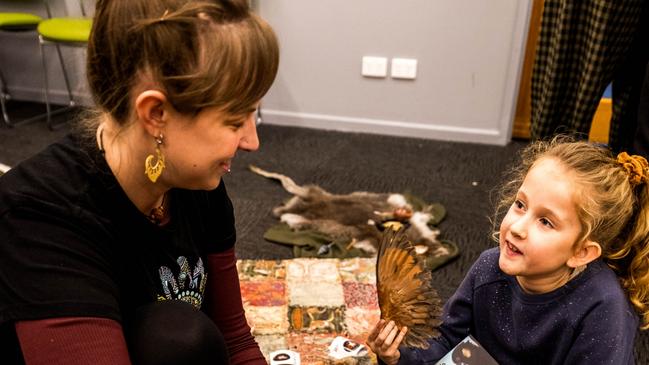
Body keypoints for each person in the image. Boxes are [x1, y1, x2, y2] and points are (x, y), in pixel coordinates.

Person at [0, 0, 279, 363]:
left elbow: (235, 340)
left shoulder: (195, 181)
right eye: (235, 120)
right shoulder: (39, 219)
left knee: (181, 336)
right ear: (156, 114)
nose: (252, 142)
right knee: (177, 336)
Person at [367, 136, 649, 364]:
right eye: (520, 205)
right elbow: (443, 342)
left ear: (582, 253)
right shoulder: (488, 268)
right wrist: (397, 356)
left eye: (546, 222)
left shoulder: (604, 308)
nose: (517, 227)